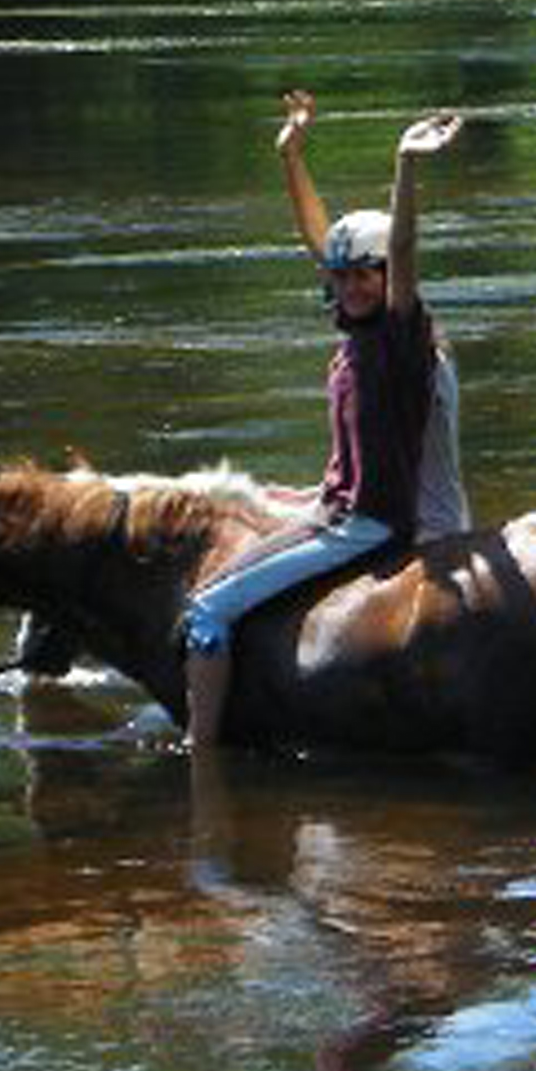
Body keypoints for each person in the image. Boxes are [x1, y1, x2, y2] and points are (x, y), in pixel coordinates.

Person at [181, 91, 468, 759]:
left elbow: (403, 246)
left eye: (366, 276)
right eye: (341, 278)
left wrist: (406, 165)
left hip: (371, 521)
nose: (351, 287)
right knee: (247, 500)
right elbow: (318, 238)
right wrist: (292, 155)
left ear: (387, 276)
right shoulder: (358, 331)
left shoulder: (400, 334)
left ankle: (202, 758)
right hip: (346, 502)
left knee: (206, 610)